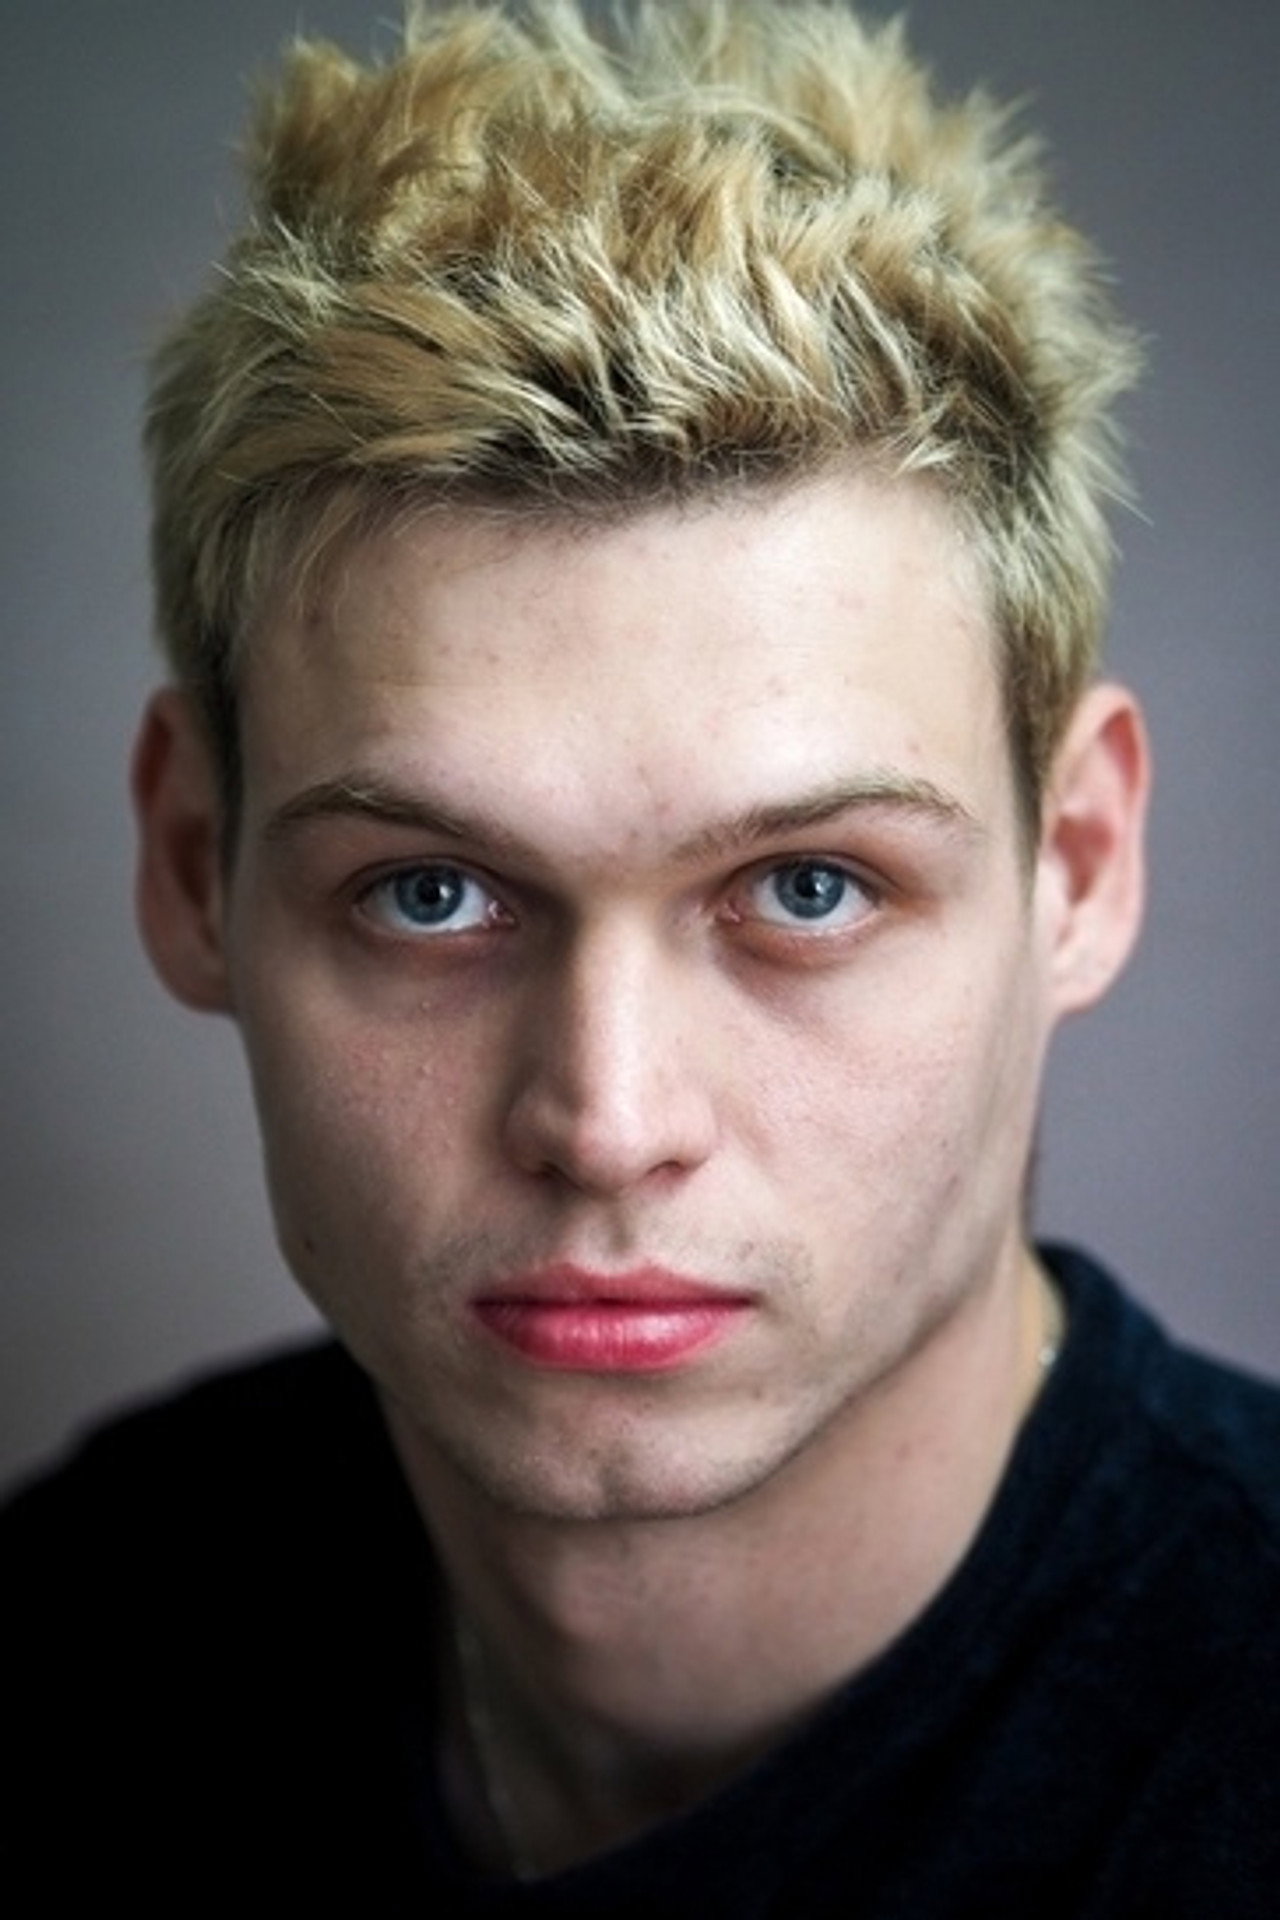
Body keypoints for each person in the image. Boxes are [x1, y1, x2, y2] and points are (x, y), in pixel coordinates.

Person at [5, 1, 1278, 1910]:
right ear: (196, 867)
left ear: (1077, 868)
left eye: (810, 889)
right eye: (431, 893)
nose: (606, 1122)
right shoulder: (84, 1629)